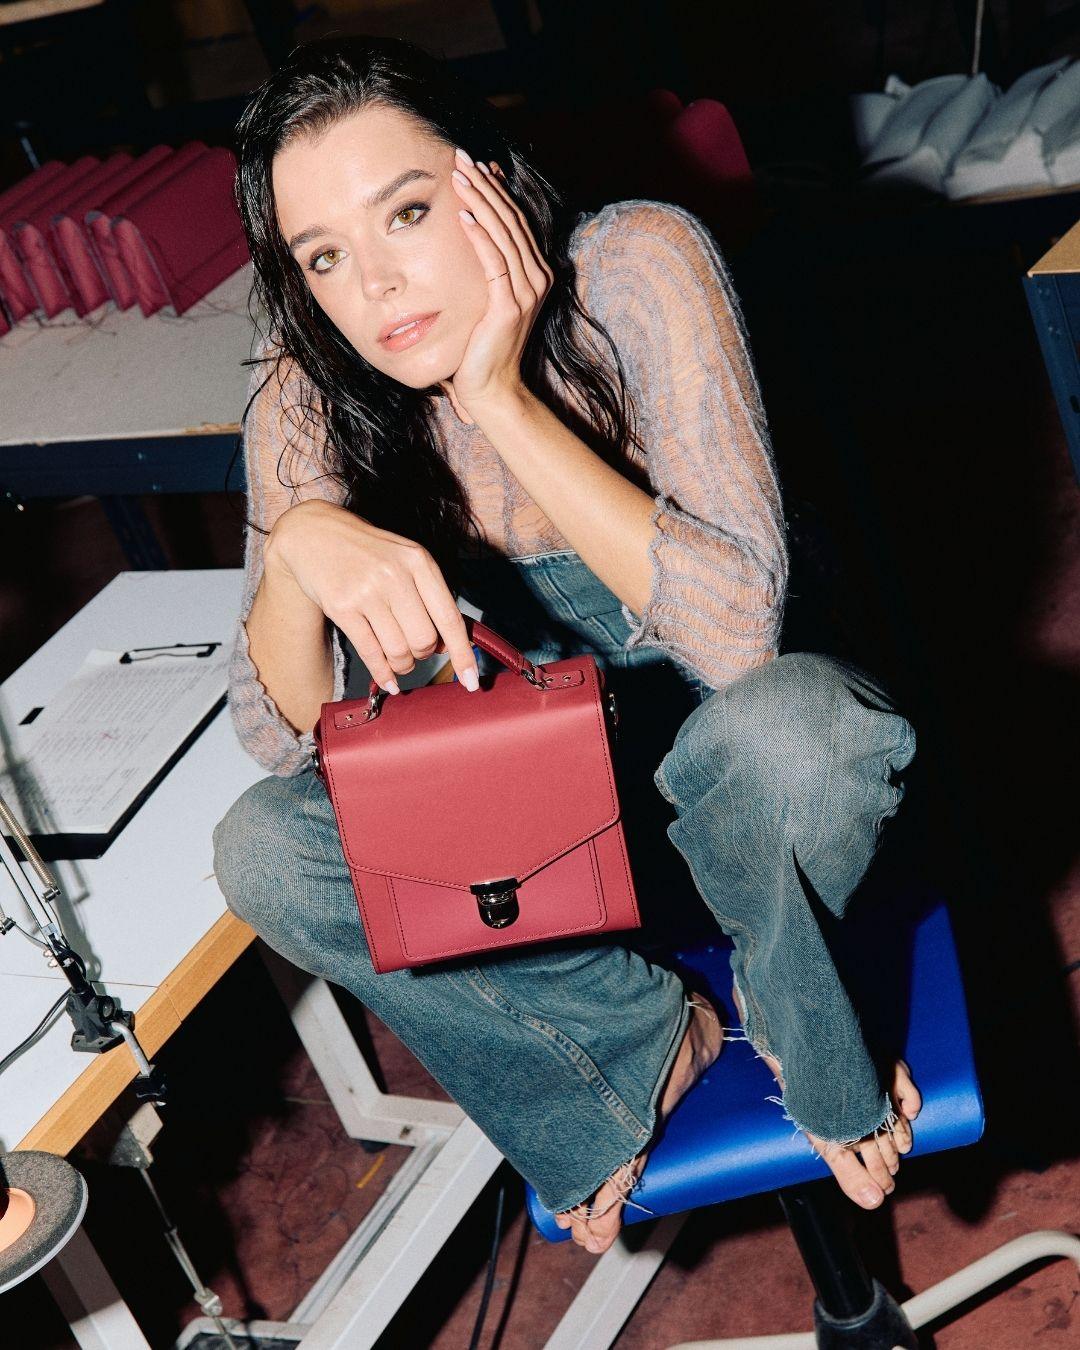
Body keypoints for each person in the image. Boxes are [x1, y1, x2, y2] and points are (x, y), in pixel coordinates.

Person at [213, 33, 921, 1258]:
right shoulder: (306, 387)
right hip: (538, 867)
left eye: (406, 212)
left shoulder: (635, 265)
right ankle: (635, 1041)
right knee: (266, 852)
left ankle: (791, 1002)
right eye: (322, 255)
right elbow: (283, 747)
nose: (375, 285)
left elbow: (736, 637)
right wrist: (296, 552)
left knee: (801, 729)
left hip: (754, 824)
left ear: (488, 179)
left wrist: (497, 395)